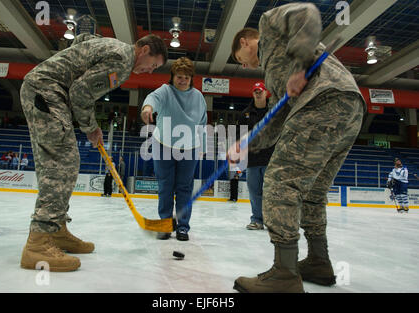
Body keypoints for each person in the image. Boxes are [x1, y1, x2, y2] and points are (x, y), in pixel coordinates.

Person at [229, 2, 365, 293]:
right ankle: (318, 260)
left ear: (244, 42)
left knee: (279, 182)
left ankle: (284, 273)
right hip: (347, 108)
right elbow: (277, 118)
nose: (243, 65)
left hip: (324, 100)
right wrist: (247, 144)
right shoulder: (273, 74)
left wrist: (301, 66)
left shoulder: (268, 24)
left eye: (239, 59)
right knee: (312, 193)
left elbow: (307, 13)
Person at [19, 32, 168, 272]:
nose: (149, 71)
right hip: (46, 91)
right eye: (152, 65)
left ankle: (56, 230)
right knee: (61, 165)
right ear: (144, 49)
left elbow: (82, 39)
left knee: (65, 162)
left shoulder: (113, 46)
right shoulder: (122, 62)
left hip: (46, 90)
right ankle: (37, 243)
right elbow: (80, 92)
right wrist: (91, 127)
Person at [141, 57, 207, 241]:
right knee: (165, 187)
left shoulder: (199, 97)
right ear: (173, 76)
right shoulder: (165, 91)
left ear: (191, 78)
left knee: (184, 188)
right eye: (179, 77)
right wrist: (147, 108)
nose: (183, 80)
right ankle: (166, 224)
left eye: (186, 77)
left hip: (190, 147)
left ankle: (183, 227)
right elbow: (152, 98)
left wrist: (201, 145)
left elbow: (202, 122)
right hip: (163, 145)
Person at [238, 82, 274, 230]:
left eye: (260, 91)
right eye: (255, 91)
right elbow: (239, 138)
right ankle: (257, 220)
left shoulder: (274, 111)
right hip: (252, 161)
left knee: (271, 193)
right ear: (253, 94)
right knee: (254, 193)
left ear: (266, 93)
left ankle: (273, 221)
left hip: (270, 160)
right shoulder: (245, 114)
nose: (258, 93)